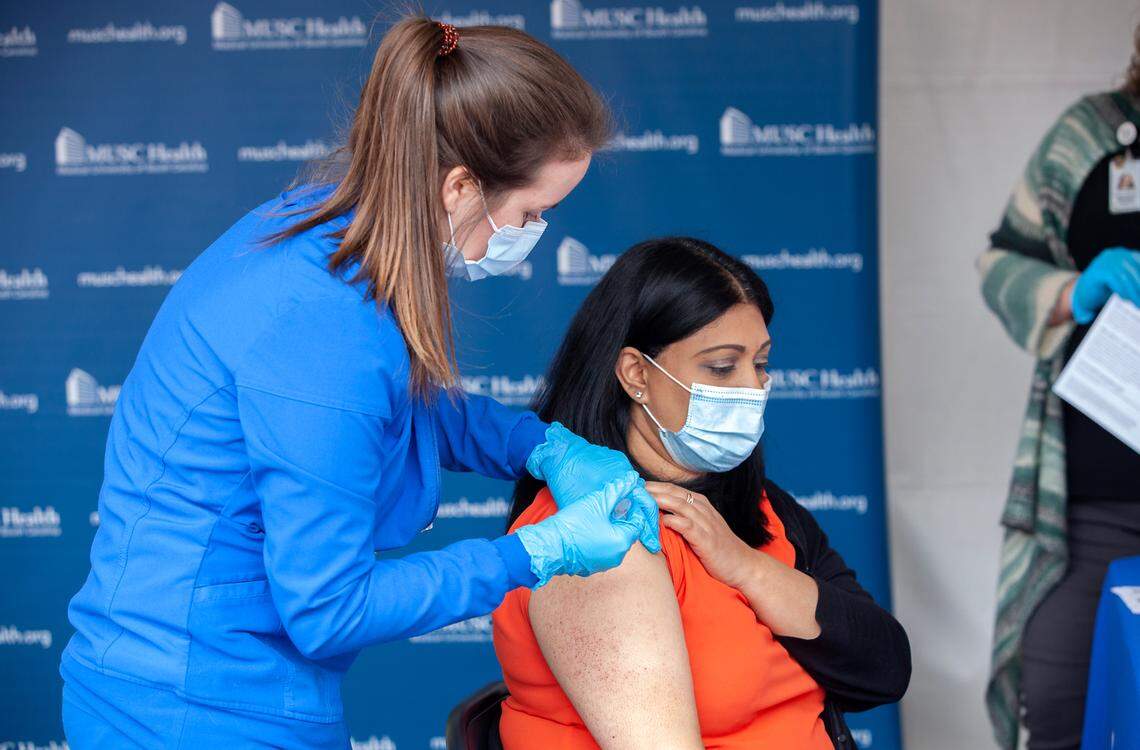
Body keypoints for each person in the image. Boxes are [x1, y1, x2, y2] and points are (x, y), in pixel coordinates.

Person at [59, 17, 661, 749]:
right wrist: (536, 554)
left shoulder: (324, 232)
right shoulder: (320, 325)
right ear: (461, 185)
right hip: (191, 710)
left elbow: (388, 407)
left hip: (194, 678)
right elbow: (329, 609)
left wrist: (539, 445)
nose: (532, 237)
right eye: (532, 213)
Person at [492, 237, 911, 749]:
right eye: (720, 367)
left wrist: (745, 566)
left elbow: (883, 669)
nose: (751, 387)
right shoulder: (597, 539)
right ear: (636, 374)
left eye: (760, 363)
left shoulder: (758, 505)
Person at [978, 27, 1140, 750]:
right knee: (1057, 698)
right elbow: (998, 260)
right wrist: (1074, 290)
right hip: (1089, 498)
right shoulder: (1090, 136)